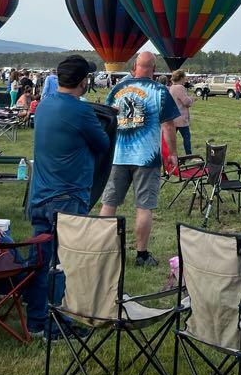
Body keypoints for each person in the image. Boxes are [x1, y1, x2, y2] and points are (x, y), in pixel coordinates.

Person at [27, 54, 111, 334]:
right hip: (67, 196)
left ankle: (36, 317)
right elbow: (102, 143)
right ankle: (54, 324)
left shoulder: (45, 105)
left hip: (40, 194)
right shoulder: (80, 111)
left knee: (41, 259)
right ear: (83, 81)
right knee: (61, 263)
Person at [100, 52, 179, 267]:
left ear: (135, 66)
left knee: (109, 203)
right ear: (153, 68)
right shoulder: (160, 91)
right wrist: (172, 153)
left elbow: (107, 118)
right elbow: (169, 126)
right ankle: (141, 254)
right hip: (147, 158)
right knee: (144, 207)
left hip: (118, 155)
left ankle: (102, 250)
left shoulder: (117, 89)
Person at [168, 70, 196, 156]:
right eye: (184, 77)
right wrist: (192, 99)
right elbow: (186, 102)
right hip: (181, 118)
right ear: (180, 78)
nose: (185, 79)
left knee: (171, 138)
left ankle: (169, 154)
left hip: (173, 117)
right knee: (186, 137)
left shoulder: (171, 87)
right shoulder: (180, 88)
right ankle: (189, 155)